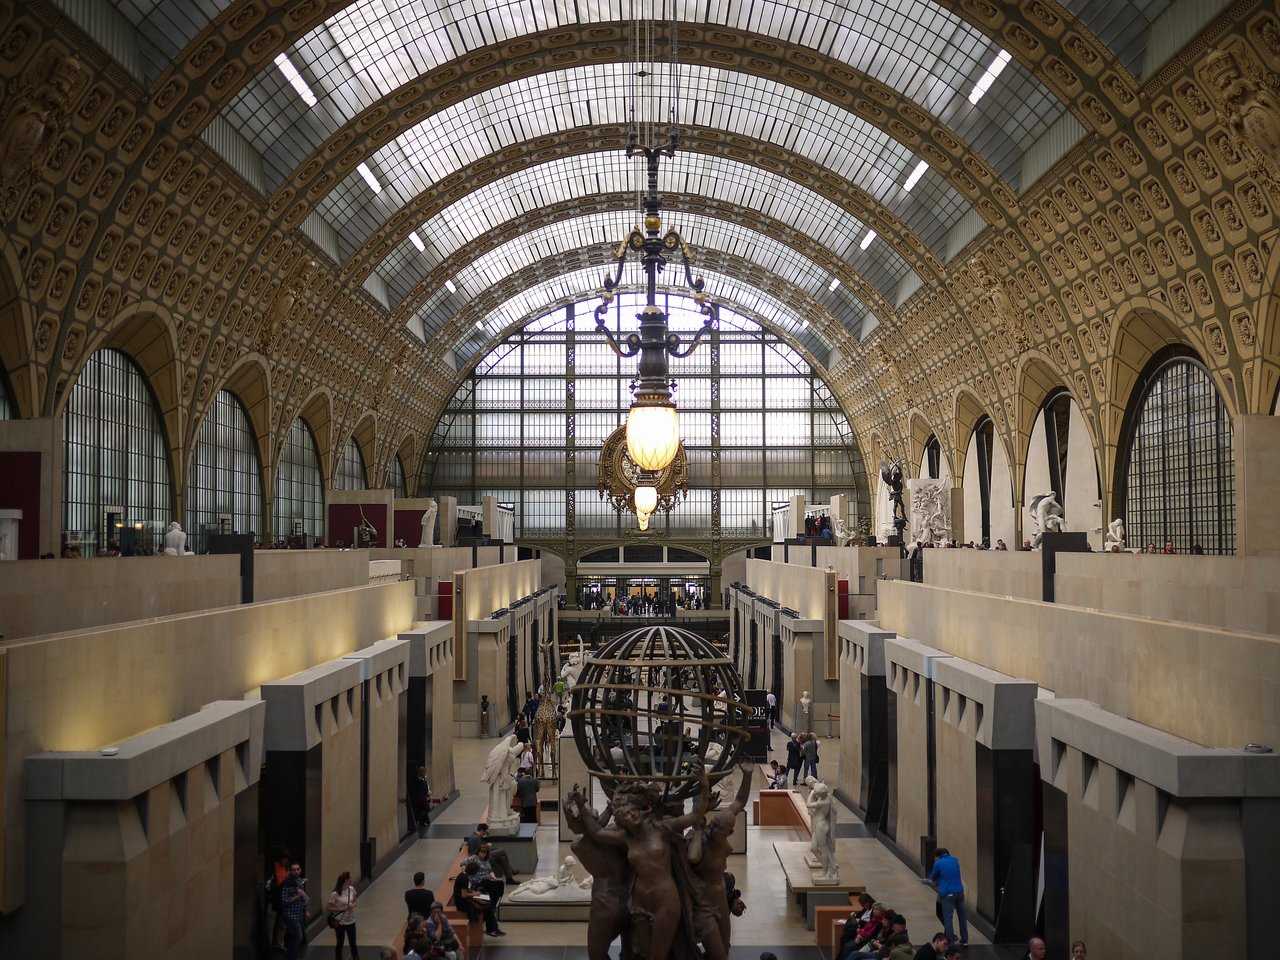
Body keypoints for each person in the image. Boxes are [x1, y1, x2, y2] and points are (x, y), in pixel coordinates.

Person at [927, 847, 969, 947]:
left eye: (935, 858)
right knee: (962, 916)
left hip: (948, 894)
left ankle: (950, 942)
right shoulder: (955, 860)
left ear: (938, 856)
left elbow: (933, 878)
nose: (935, 860)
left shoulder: (938, 863)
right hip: (959, 892)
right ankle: (965, 940)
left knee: (948, 919)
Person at [453, 860, 504, 936]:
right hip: (462, 904)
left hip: (462, 900)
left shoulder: (462, 875)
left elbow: (463, 891)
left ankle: (492, 928)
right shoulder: (464, 879)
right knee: (487, 907)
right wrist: (474, 894)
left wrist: (471, 891)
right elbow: (463, 895)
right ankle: (492, 929)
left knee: (487, 906)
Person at [326, 870, 359, 959]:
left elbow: (355, 901)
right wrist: (341, 908)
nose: (352, 879)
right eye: (350, 878)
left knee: (353, 943)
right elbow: (328, 908)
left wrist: (352, 905)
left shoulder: (351, 889)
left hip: (351, 920)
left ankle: (356, 958)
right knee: (340, 942)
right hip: (340, 922)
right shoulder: (335, 894)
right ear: (346, 880)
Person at [281, 862, 309, 960]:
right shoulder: (287, 884)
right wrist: (296, 897)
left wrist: (305, 911)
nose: (296, 871)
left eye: (298, 869)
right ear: (290, 871)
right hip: (290, 915)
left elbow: (303, 899)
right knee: (298, 936)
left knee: (293, 936)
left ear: (300, 870)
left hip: (299, 914)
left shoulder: (300, 882)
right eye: (294, 870)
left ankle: (291, 956)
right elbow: (284, 901)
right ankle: (288, 955)